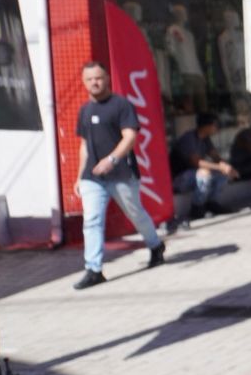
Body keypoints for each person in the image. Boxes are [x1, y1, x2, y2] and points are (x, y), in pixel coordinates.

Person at [72, 61, 166, 289]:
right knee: (92, 220)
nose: (95, 82)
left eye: (98, 78)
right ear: (84, 82)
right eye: (90, 79)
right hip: (92, 177)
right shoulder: (85, 110)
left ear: (107, 79)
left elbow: (130, 137)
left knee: (135, 214)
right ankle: (93, 269)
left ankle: (155, 245)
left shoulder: (121, 105)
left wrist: (111, 160)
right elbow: (84, 144)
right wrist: (78, 176)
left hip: (121, 173)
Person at [170, 113, 235, 217]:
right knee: (204, 173)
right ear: (206, 126)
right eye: (215, 125)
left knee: (222, 174)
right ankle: (197, 207)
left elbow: (216, 158)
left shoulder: (205, 139)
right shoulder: (189, 137)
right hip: (179, 179)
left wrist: (228, 167)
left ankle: (211, 203)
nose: (217, 128)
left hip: (193, 175)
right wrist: (220, 167)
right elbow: (197, 162)